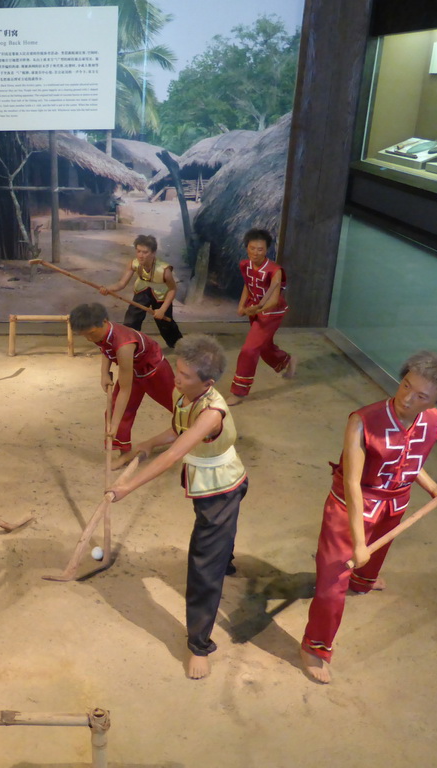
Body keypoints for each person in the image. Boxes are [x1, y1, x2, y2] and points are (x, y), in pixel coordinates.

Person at [300, 351, 437, 684]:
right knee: (331, 583)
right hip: (350, 506)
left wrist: (433, 488)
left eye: (420, 396)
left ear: (435, 403)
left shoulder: (431, 422)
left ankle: (364, 581)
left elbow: (409, 460)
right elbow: (352, 485)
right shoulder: (363, 420)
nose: (406, 398)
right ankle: (314, 647)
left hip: (394, 503)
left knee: (377, 553)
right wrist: (358, 542)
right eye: (405, 385)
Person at [108, 335, 248, 680]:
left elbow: (174, 454)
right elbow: (176, 430)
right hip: (205, 480)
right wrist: (146, 443)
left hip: (222, 488)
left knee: (203, 565)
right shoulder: (184, 394)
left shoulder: (213, 413)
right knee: (217, 540)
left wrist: (128, 486)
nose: (176, 378)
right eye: (178, 370)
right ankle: (226, 562)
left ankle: (199, 645)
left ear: (208, 382)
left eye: (185, 375)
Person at [69, 302, 175, 455]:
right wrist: (104, 373)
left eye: (91, 333)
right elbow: (105, 347)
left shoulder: (124, 344)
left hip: (154, 371)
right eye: (84, 335)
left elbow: (125, 389)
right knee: (115, 411)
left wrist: (115, 424)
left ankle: (200, 430)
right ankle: (124, 453)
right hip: (132, 369)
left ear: (104, 322)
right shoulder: (102, 332)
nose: (88, 339)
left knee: (179, 406)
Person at [226, 228, 296, 406]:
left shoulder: (275, 271)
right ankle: (287, 360)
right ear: (246, 248)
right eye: (252, 248)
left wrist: (257, 309)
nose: (256, 253)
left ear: (266, 250)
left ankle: (239, 392)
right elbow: (248, 285)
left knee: (249, 350)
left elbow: (273, 300)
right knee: (264, 346)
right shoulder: (245, 265)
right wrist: (242, 306)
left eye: (260, 249)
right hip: (254, 309)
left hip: (272, 313)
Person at [101, 234, 183, 348]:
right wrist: (108, 289)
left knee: (166, 324)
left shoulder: (164, 270)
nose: (141, 255)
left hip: (161, 295)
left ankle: (180, 347)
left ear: (153, 253)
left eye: (145, 252)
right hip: (142, 290)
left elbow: (172, 289)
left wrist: (162, 310)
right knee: (132, 319)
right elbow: (121, 283)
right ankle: (128, 346)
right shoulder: (134, 263)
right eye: (138, 251)